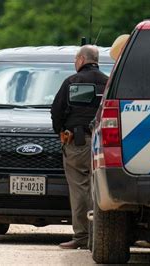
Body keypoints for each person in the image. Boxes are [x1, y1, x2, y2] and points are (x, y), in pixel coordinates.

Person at [51, 45, 108, 249]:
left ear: (82, 59)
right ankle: (100, 236)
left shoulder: (72, 82)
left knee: (79, 189)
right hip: (104, 143)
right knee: (99, 189)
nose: (75, 63)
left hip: (77, 142)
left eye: (76, 59)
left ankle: (82, 236)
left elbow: (56, 111)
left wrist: (60, 131)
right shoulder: (108, 81)